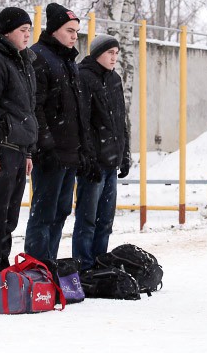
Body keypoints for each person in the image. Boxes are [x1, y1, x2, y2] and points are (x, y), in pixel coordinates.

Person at [0, 7, 37, 301]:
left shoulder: (24, 62)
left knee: (10, 219)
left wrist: (28, 152)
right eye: (22, 29)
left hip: (18, 149)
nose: (27, 34)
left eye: (29, 29)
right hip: (1, 150)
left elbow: (26, 110)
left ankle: (2, 272)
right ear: (6, 31)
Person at [24, 3, 90, 261]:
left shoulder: (69, 61)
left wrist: (83, 147)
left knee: (61, 210)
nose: (74, 36)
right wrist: (45, 145)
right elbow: (36, 105)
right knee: (44, 212)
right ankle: (36, 268)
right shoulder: (38, 57)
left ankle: (48, 264)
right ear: (54, 31)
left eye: (76, 31)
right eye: (69, 30)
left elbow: (77, 111)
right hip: (50, 153)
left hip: (69, 152)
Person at [73, 34, 131, 270]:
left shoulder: (115, 80)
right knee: (87, 218)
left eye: (116, 53)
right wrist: (89, 158)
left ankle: (99, 263)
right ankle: (83, 265)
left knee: (105, 220)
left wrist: (124, 154)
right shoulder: (84, 77)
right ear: (97, 54)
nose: (114, 57)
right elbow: (83, 123)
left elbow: (120, 121)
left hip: (111, 161)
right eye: (109, 53)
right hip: (93, 163)